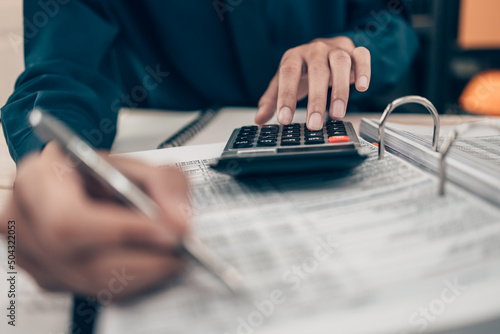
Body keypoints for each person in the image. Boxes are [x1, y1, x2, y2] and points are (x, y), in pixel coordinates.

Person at [0, 0, 418, 300]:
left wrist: (352, 46)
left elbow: (390, 22)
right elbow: (63, 67)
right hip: (172, 141)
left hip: (336, 133)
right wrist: (54, 160)